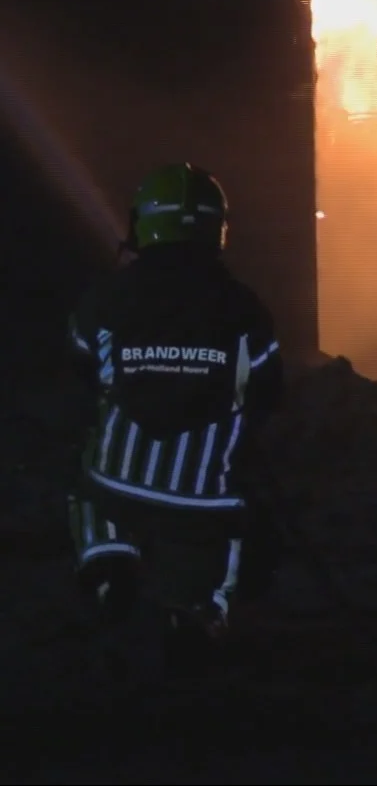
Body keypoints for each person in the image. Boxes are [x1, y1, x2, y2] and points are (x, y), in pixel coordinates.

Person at [65, 163, 284, 652]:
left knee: (85, 489)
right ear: (217, 229)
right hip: (204, 501)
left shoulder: (105, 298)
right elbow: (269, 390)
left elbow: (80, 364)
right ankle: (200, 615)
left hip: (116, 485)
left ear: (142, 222)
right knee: (238, 540)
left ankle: (108, 565)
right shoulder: (244, 307)